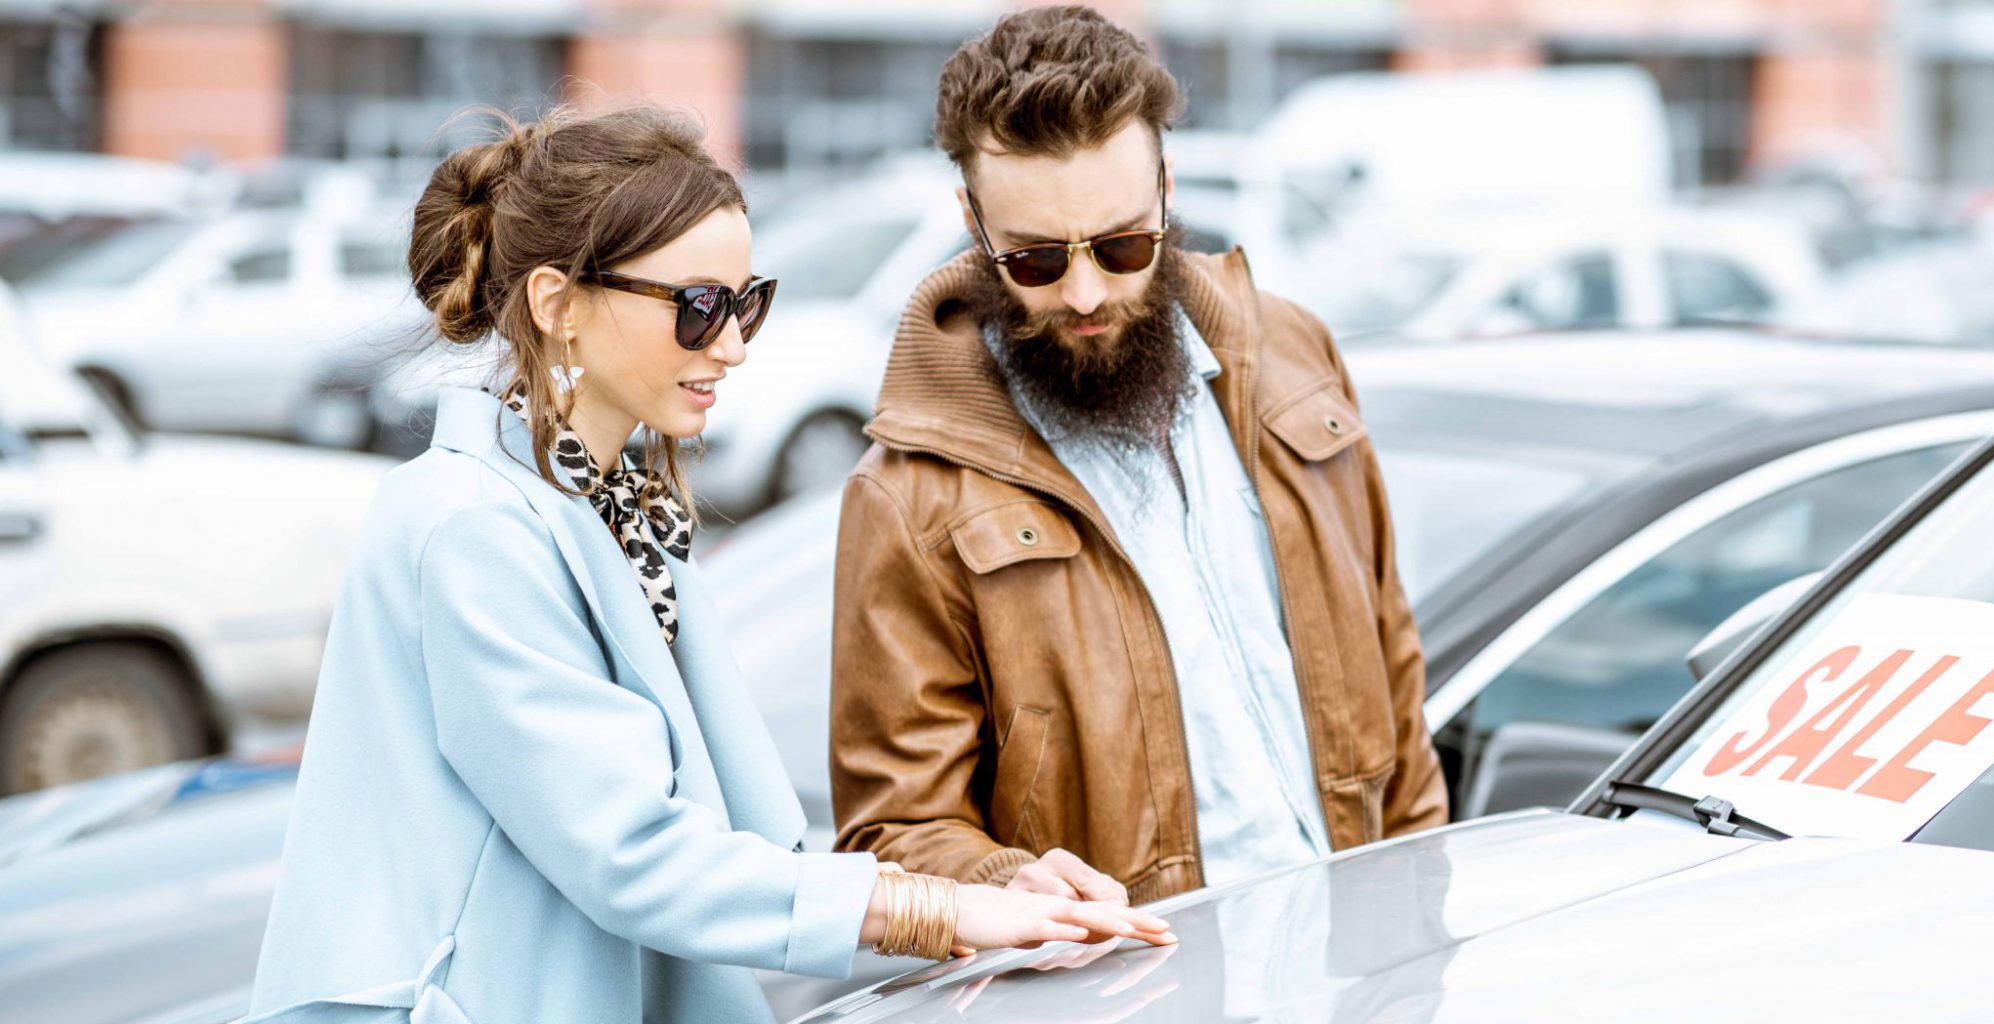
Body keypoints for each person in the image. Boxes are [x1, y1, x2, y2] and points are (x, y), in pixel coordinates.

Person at [245, 106, 1169, 1024]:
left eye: (745, 302)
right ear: (556, 303)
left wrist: (987, 882)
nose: (730, 343)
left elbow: (748, 844)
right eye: (697, 307)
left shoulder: (614, 507)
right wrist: (942, 909)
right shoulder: (469, 527)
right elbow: (632, 854)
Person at [830, 5, 1449, 909]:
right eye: (1036, 261)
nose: (1086, 293)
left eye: (1122, 245)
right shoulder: (910, 497)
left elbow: (1396, 688)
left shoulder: (1296, 360)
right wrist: (1008, 881)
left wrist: (1417, 924)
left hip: (1365, 968)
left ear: (1166, 187)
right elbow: (896, 833)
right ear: (972, 222)